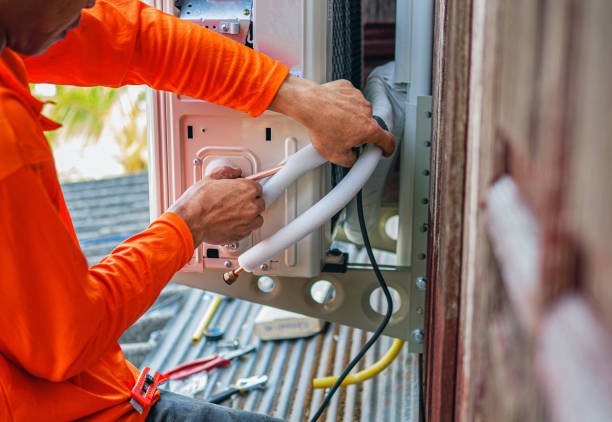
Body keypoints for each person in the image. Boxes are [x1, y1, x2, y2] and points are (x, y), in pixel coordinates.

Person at [0, 0, 395, 420]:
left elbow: (133, 40)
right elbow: (65, 340)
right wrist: (189, 224)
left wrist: (296, 96)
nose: (90, 3)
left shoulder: (23, 24)